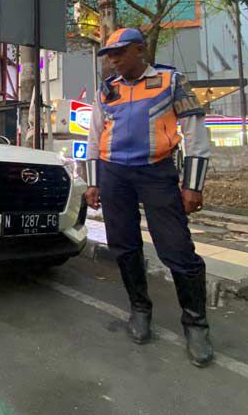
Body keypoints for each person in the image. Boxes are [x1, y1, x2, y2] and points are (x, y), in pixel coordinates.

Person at [84, 28, 213, 367]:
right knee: (124, 247)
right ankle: (139, 309)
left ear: (140, 50)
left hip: (156, 172)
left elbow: (195, 132)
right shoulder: (106, 89)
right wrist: (92, 183)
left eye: (120, 53)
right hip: (114, 175)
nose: (113, 60)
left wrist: (193, 185)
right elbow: (95, 136)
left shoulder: (172, 81)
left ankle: (196, 324)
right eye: (109, 54)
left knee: (178, 250)